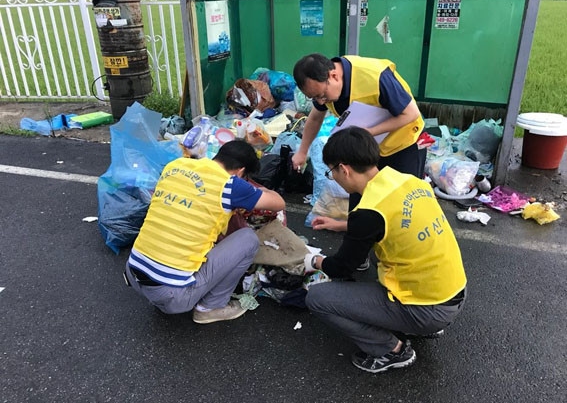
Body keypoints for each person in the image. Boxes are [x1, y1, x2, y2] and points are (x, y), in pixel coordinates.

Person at [304, 127, 467, 374]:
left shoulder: (368, 212)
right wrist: (340, 224)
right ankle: (418, 325)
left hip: (427, 310)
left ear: (344, 169)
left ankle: (391, 350)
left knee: (318, 298)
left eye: (331, 172)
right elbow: (394, 222)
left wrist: (314, 260)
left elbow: (341, 267)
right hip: (453, 292)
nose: (333, 178)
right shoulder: (409, 181)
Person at [124, 140, 285, 324]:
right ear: (240, 171)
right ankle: (210, 308)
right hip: (172, 297)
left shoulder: (175, 166)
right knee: (248, 239)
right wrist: (258, 189)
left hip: (133, 272)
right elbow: (278, 203)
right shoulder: (230, 185)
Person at [292, 53, 427, 235]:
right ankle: (356, 240)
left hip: (403, 144)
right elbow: (315, 118)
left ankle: (400, 244)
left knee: (401, 205)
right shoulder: (324, 87)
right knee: (361, 201)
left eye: (322, 95)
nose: (321, 102)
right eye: (314, 98)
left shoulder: (376, 77)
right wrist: (302, 151)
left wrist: (368, 132)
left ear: (334, 75)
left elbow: (411, 114)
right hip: (369, 147)